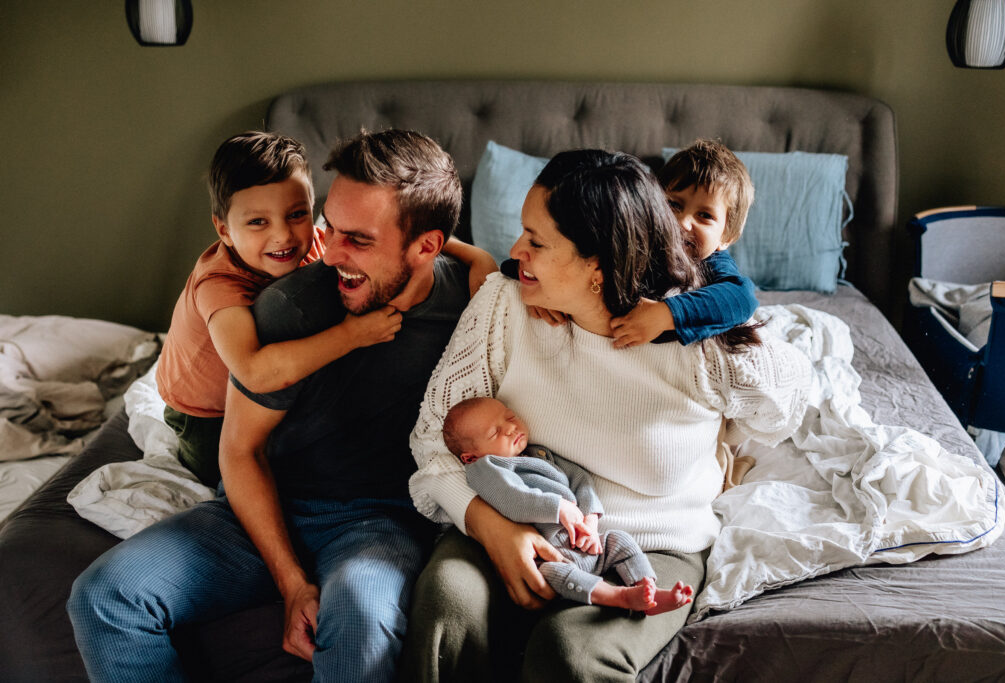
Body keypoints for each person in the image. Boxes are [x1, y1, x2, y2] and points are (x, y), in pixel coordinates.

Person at [68, 129, 472, 683]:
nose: (329, 254)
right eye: (330, 227)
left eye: (358, 239)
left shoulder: (475, 307)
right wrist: (291, 582)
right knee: (104, 597)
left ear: (427, 247)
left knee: (361, 621)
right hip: (265, 507)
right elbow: (239, 450)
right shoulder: (289, 308)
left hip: (376, 521)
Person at [400, 149, 811, 682]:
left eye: (536, 242)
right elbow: (434, 440)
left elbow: (788, 402)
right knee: (447, 605)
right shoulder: (507, 302)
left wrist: (719, 355)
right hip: (516, 512)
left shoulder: (694, 335)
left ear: (597, 265)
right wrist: (490, 525)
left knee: (570, 653)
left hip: (649, 543)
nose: (515, 250)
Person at [156, 131, 495, 486]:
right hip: (205, 412)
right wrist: (351, 335)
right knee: (220, 479)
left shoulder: (319, 242)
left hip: (271, 405)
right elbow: (254, 372)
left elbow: (408, 232)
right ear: (224, 230)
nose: (283, 236)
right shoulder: (218, 285)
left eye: (297, 214)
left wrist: (477, 255)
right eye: (257, 222)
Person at [444, 396, 695, 615]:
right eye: (494, 433)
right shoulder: (485, 468)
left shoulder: (540, 454)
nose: (510, 427)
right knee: (554, 574)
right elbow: (512, 499)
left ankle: (648, 589)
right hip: (549, 553)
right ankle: (619, 597)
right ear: (470, 457)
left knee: (619, 540)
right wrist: (558, 507)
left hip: (585, 540)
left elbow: (580, 480)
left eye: (510, 417)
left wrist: (590, 520)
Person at [515, 138, 758, 352]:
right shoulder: (644, 242)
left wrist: (666, 314)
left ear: (727, 238)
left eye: (704, 216)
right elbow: (552, 261)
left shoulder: (714, 263)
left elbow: (742, 298)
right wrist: (541, 290)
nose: (683, 222)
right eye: (674, 205)